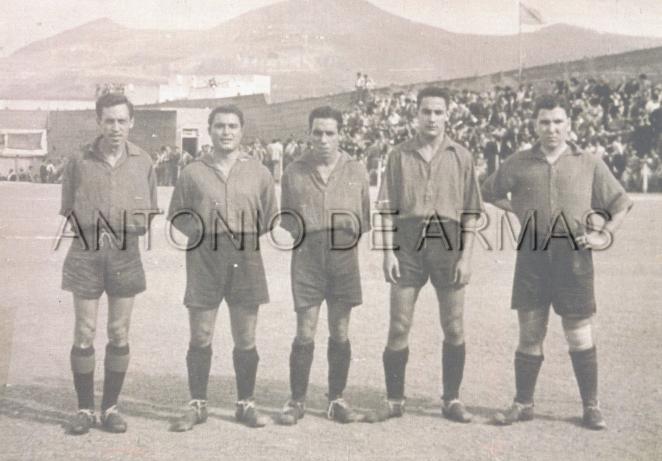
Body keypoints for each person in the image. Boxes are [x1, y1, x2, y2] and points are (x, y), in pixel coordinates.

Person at [481, 94, 632, 430]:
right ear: (535, 125)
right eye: (545, 122)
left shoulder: (588, 162)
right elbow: (489, 191)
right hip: (533, 252)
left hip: (573, 254)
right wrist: (519, 209)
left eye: (558, 122)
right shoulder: (519, 162)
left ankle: (591, 406)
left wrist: (604, 235)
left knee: (578, 332)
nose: (552, 128)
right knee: (530, 330)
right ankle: (523, 403)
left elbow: (620, 203)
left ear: (569, 124)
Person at [367, 87, 483, 423]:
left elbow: (471, 212)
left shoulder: (462, 156)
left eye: (438, 112)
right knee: (399, 324)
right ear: (416, 114)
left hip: (448, 242)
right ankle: (394, 399)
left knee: (454, 325)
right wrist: (388, 253)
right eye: (426, 112)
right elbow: (386, 208)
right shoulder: (399, 155)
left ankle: (452, 399)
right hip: (408, 242)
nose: (432, 118)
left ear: (447, 115)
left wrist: (466, 257)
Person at [168, 105, 278, 431]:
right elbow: (178, 215)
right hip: (204, 255)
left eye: (232, 126)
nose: (226, 132)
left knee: (245, 335)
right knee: (201, 333)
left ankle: (246, 404)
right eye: (219, 126)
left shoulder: (259, 172)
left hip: (245, 254)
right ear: (210, 130)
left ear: (242, 130)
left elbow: (268, 218)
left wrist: (239, 235)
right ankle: (197, 404)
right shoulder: (192, 172)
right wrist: (207, 234)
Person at [59, 92, 158, 435]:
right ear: (98, 122)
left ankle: (111, 407)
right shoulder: (79, 160)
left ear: (132, 122)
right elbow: (68, 208)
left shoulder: (144, 161)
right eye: (109, 120)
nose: (116, 127)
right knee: (84, 330)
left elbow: (150, 210)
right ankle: (85, 409)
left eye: (122, 121)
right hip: (86, 250)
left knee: (119, 330)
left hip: (125, 252)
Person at [278, 106, 371, 425]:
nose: (323, 139)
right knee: (305, 330)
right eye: (317, 132)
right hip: (308, 255)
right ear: (309, 134)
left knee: (340, 329)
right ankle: (297, 400)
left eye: (330, 133)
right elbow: (288, 218)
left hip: (343, 255)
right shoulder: (294, 171)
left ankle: (336, 399)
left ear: (340, 134)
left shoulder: (357, 170)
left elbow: (364, 219)